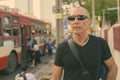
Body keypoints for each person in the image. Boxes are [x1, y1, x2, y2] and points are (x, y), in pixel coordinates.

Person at [51, 6, 118, 80]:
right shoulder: (62, 48)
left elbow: (113, 68)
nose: (76, 21)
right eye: (72, 18)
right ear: (69, 23)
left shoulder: (100, 43)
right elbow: (56, 77)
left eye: (81, 17)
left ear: (89, 22)